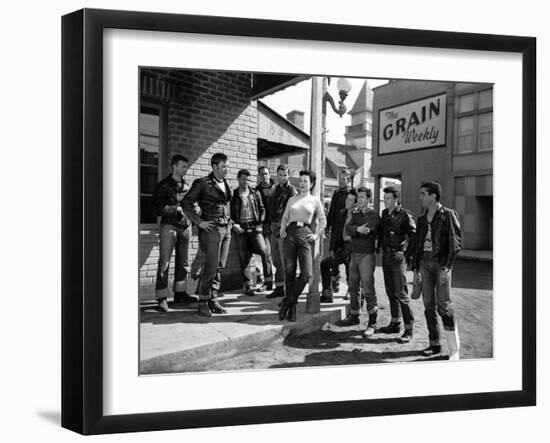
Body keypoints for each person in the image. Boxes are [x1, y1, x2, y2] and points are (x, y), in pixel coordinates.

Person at [412, 181, 462, 360]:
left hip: (441, 265)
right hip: (424, 265)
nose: (420, 197)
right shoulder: (421, 219)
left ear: (433, 196)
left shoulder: (448, 215)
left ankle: (454, 349)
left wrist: (447, 267)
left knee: (445, 307)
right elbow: (417, 245)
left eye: (423, 194)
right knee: (428, 306)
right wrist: (416, 269)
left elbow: (455, 244)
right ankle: (434, 344)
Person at [181, 153, 232, 317]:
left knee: (219, 265)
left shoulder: (225, 183)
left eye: (227, 166)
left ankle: (213, 298)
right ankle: (202, 301)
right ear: (215, 167)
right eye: (224, 166)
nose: (226, 169)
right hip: (211, 229)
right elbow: (186, 202)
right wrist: (199, 222)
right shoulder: (202, 183)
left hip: (226, 229)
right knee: (211, 266)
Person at [152, 154, 198, 312]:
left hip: (185, 227)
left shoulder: (187, 186)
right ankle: (162, 298)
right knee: (164, 262)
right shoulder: (163, 186)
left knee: (184, 263)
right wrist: (175, 208)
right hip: (169, 227)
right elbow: (156, 209)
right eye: (183, 166)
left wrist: (195, 210)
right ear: (174, 166)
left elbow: (192, 204)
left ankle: (180, 293)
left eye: (187, 166)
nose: (186, 169)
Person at [278, 170, 327, 322]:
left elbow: (323, 220)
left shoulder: (315, 200)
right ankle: (291, 310)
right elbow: (285, 216)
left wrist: (316, 234)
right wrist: (282, 230)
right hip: (290, 234)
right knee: (290, 273)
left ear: (311, 184)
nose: (302, 183)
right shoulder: (292, 199)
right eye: (300, 180)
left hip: (305, 234)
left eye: (306, 181)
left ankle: (287, 301)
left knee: (307, 274)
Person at [378, 185, 416, 343]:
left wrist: (406, 254)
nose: (385, 201)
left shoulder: (405, 215)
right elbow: (381, 232)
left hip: (398, 257)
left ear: (396, 199)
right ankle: (395, 322)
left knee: (401, 293)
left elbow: (414, 236)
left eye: (388, 198)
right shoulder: (384, 213)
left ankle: (409, 329)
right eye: (384, 198)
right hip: (386, 256)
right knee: (390, 291)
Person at [344, 187, 380, 334]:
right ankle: (354, 315)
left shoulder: (374, 215)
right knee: (353, 287)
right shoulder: (354, 213)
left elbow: (368, 232)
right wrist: (357, 229)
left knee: (368, 288)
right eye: (358, 197)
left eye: (363, 197)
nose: (360, 200)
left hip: (366, 255)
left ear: (369, 199)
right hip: (354, 254)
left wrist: (356, 230)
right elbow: (347, 229)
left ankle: (372, 323)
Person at [230, 169, 271, 296]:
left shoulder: (255, 193)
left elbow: (262, 209)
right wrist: (233, 224)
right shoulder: (233, 194)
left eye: (248, 179)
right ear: (238, 179)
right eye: (243, 179)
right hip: (240, 229)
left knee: (264, 252)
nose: (246, 182)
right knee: (244, 257)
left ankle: (268, 282)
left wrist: (260, 224)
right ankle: (248, 285)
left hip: (254, 228)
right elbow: (226, 212)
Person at [266, 164, 298, 299]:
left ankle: (287, 289)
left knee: (285, 259)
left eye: (285, 175)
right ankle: (279, 287)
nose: (282, 177)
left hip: (283, 227)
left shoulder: (291, 191)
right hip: (273, 226)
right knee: (275, 258)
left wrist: (284, 228)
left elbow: (293, 212)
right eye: (280, 175)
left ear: (288, 176)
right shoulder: (275, 188)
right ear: (276, 175)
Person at [320, 190, 357, 303]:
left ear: (355, 203)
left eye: (350, 200)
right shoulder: (342, 213)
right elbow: (336, 232)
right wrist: (332, 248)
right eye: (347, 198)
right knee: (325, 264)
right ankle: (327, 294)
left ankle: (354, 297)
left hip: (354, 248)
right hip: (343, 248)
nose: (347, 201)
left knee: (351, 272)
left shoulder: (358, 215)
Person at [325, 168, 355, 295]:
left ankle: (350, 288)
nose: (341, 181)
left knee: (348, 261)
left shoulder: (351, 194)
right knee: (333, 257)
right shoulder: (336, 193)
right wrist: (328, 226)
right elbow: (331, 211)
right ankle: (334, 284)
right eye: (340, 178)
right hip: (336, 231)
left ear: (348, 180)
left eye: (344, 179)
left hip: (346, 232)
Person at [254, 166, 276, 290]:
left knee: (279, 255)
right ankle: (268, 283)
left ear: (269, 174)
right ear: (259, 176)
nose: (265, 176)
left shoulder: (277, 188)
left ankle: (281, 283)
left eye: (266, 173)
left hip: (277, 225)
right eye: (262, 174)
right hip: (264, 225)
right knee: (266, 254)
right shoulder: (256, 190)